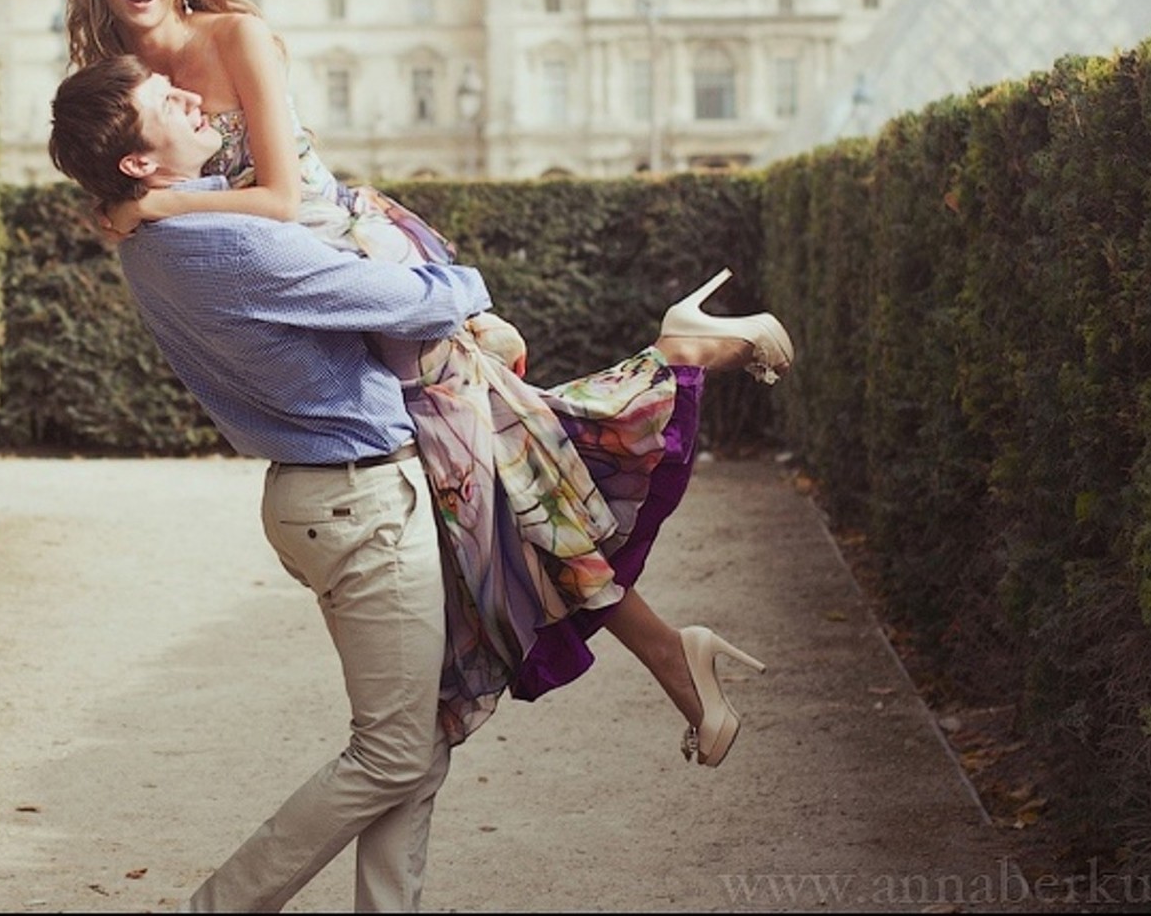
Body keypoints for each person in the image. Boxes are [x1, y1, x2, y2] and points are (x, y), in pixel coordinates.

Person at [64, 0, 793, 751]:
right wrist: (127, 204)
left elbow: (282, 198)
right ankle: (675, 648)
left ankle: (677, 360)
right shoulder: (122, 82)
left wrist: (155, 205)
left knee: (487, 480)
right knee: (507, 476)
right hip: (306, 298)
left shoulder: (235, 35)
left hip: (357, 263)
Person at [48, 54, 778, 912]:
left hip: (334, 496)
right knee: (393, 752)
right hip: (360, 501)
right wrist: (459, 284)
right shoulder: (226, 239)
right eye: (162, 100)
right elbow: (422, 300)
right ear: (139, 160)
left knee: (418, 739)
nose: (187, 93)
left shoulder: (153, 237)